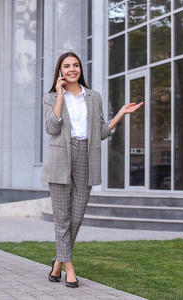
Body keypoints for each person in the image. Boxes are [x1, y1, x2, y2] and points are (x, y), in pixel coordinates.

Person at [41, 52, 143, 288]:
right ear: (60, 71)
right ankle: (69, 268)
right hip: (59, 159)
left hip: (85, 157)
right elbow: (51, 128)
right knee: (62, 219)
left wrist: (120, 113)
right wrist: (59, 97)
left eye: (75, 65)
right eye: (66, 66)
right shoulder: (50, 98)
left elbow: (102, 131)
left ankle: (57, 262)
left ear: (80, 70)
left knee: (76, 218)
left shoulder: (93, 97)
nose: (72, 69)